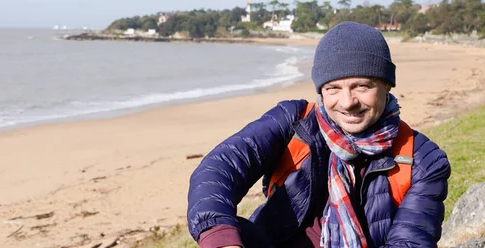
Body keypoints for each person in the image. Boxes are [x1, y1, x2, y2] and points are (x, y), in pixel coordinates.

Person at [187, 21, 451, 248]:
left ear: (386, 84)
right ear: (321, 91)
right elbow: (219, 168)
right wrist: (220, 238)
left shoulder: (422, 160)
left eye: (362, 86)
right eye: (333, 88)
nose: (348, 102)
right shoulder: (294, 122)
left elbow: (411, 240)